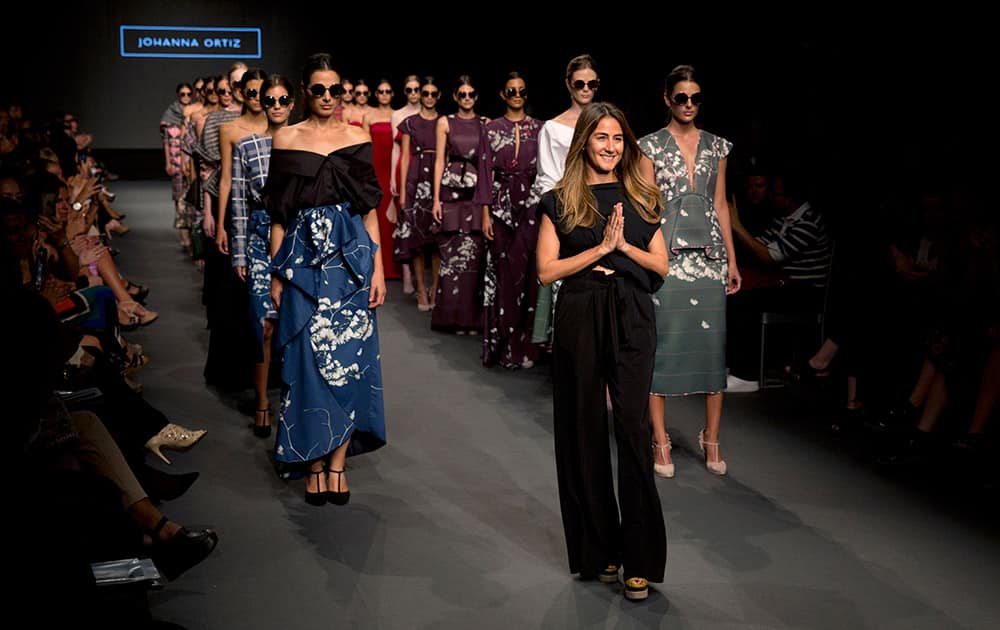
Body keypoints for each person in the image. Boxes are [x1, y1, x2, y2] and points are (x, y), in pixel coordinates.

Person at [536, 102, 668, 602]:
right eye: (601, 138)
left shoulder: (642, 196)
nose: (611, 147)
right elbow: (547, 272)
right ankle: (600, 553)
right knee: (583, 429)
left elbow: (661, 266)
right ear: (585, 142)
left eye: (618, 139)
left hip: (633, 313)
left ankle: (639, 559)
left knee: (632, 429)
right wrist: (597, 250)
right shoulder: (560, 201)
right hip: (580, 313)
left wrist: (624, 248)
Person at [263, 53, 387, 506]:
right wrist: (277, 275)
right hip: (302, 265)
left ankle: (337, 464)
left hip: (350, 264)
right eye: (320, 89)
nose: (329, 97)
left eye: (336, 90)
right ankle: (312, 463)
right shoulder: (285, 137)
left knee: (349, 362)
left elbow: (369, 210)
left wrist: (376, 267)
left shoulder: (356, 138)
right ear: (304, 91)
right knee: (306, 363)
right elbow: (278, 215)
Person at [639, 64, 741, 478]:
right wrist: (647, 257)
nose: (688, 105)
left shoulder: (717, 147)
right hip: (667, 256)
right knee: (662, 346)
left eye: (695, 98)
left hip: (710, 257)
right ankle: (659, 440)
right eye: (681, 97)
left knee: (712, 348)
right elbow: (647, 208)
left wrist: (732, 260)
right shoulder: (648, 147)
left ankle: (711, 437)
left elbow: (720, 205)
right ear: (667, 99)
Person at [230, 74, 295, 437]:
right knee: (264, 326)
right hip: (258, 239)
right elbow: (239, 203)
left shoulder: (304, 143)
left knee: (295, 324)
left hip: (298, 242)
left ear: (292, 103)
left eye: (283, 100)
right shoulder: (248, 146)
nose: (276, 107)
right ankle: (261, 402)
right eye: (270, 101)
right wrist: (239, 255)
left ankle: (293, 399)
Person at [531, 54, 600, 346]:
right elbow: (547, 179)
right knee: (569, 285)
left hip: (603, 211)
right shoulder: (553, 128)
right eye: (579, 83)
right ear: (568, 85)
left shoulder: (605, 123)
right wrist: (556, 221)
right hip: (569, 214)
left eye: (592, 83)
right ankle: (570, 359)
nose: (586, 89)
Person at [481, 71, 543, 368]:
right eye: (511, 91)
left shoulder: (540, 128)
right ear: (503, 95)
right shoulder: (491, 128)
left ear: (526, 95)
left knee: (530, 276)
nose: (517, 95)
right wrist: (484, 215)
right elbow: (484, 175)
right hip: (501, 209)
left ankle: (529, 348)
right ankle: (505, 348)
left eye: (521, 91)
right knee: (505, 277)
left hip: (531, 208)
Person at [430, 75, 490, 334]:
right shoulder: (445, 122)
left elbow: (488, 166)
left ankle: (470, 320)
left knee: (474, 258)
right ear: (455, 96)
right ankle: (449, 319)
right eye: (462, 94)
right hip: (451, 192)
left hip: (475, 193)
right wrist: (435, 199)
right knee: (451, 256)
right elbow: (439, 161)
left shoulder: (485, 123)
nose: (467, 99)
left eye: (471, 94)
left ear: (476, 97)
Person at [395, 76, 442, 311]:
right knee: (416, 241)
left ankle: (435, 290)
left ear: (439, 96)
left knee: (435, 241)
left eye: (434, 94)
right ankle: (421, 290)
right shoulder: (409, 122)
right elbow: (404, 159)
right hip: (416, 178)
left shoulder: (445, 122)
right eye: (426, 94)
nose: (430, 98)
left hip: (437, 180)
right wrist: (403, 192)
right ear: (420, 96)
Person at [362, 79, 401, 280]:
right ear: (376, 94)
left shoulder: (398, 115)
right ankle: (378, 267)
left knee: (394, 219)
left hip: (392, 169)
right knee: (376, 217)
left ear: (392, 94)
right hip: (376, 169)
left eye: (388, 91)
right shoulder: (369, 116)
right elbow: (366, 147)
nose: (384, 94)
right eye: (381, 91)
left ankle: (397, 268)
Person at [391, 74, 422, 294]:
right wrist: (393, 177)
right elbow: (396, 148)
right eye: (409, 90)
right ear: (404, 92)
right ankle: (407, 276)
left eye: (416, 89)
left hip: (423, 168)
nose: (413, 93)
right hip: (406, 164)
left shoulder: (428, 114)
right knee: (404, 221)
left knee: (422, 221)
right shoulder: (398, 115)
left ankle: (419, 275)